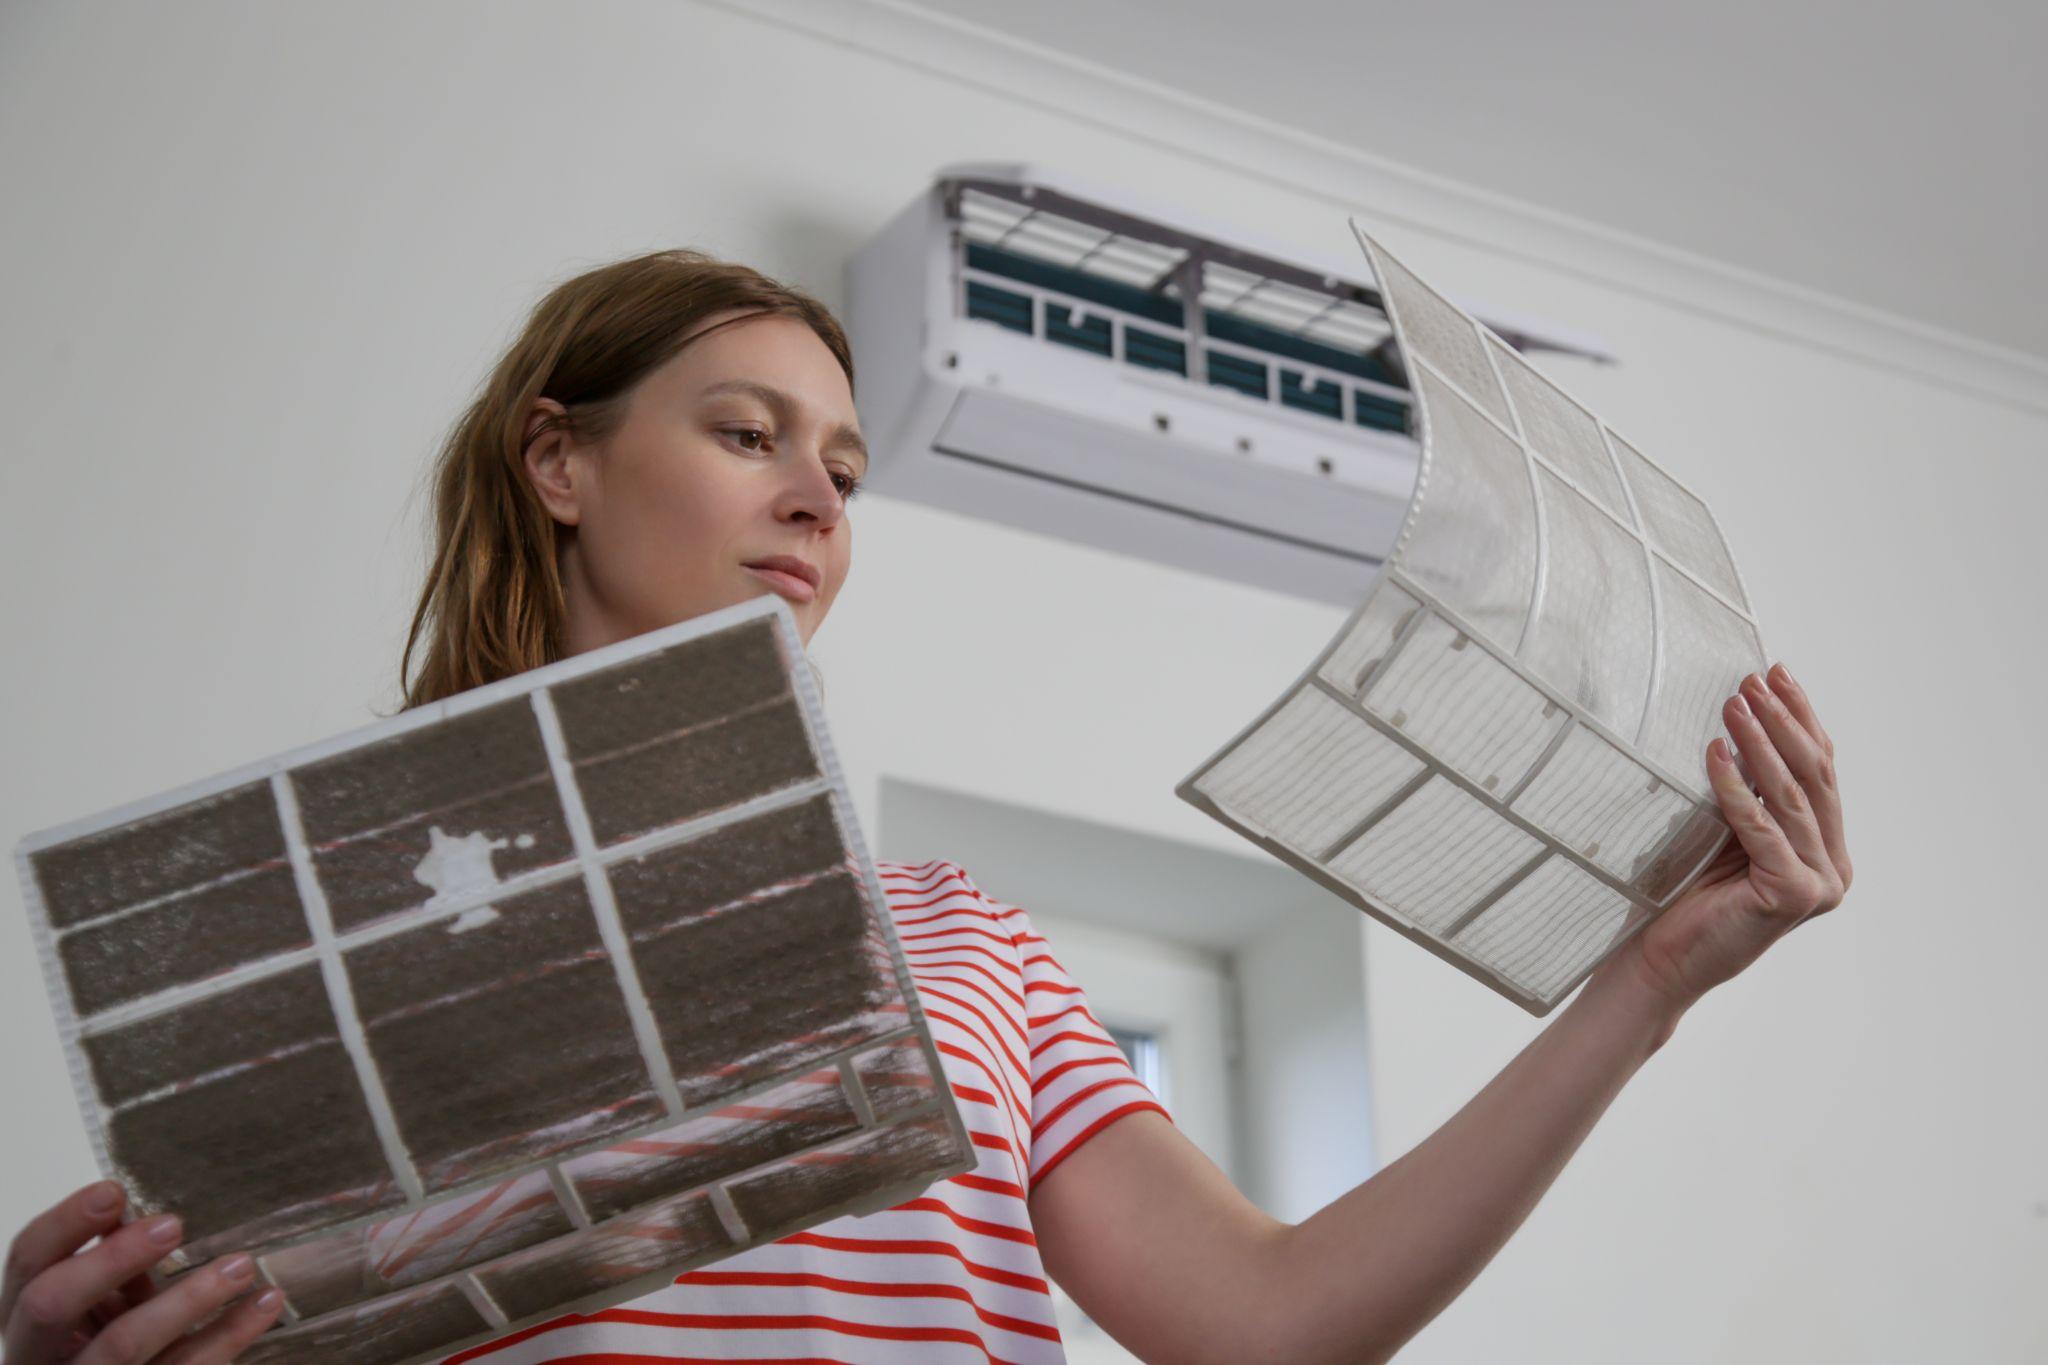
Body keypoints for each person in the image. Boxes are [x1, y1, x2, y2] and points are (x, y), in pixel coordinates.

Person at [3, 249, 1853, 1365]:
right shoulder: (313, 947)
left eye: (845, 466)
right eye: (745, 434)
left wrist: (1654, 977)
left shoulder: (954, 927)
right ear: (558, 459)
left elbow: (1270, 1325)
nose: (818, 501)